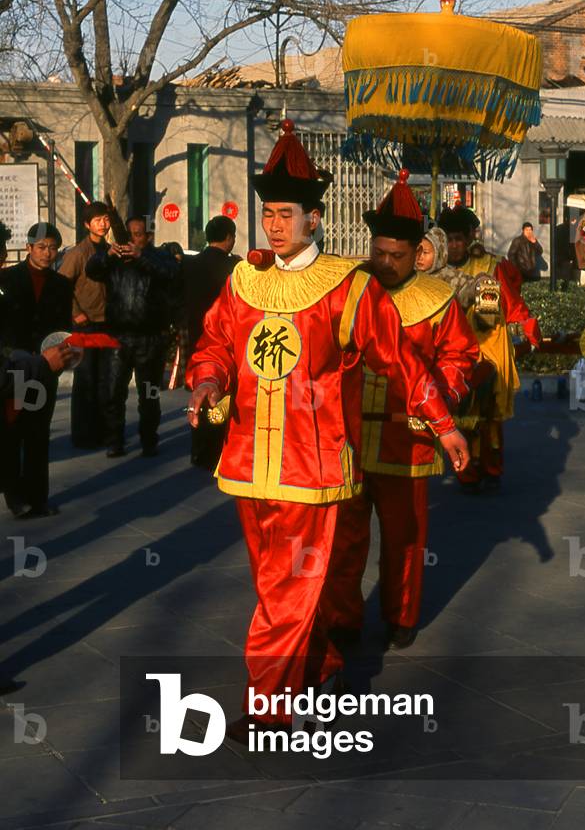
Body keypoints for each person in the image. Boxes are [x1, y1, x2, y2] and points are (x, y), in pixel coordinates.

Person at [186, 120, 469, 745]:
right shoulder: (242, 282)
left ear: (315, 218)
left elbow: (399, 360)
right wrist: (207, 380)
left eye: (285, 214)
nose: (274, 225)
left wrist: (444, 424)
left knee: (285, 587)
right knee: (275, 583)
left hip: (311, 467)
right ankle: (321, 660)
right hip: (246, 462)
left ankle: (268, 706)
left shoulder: (349, 285)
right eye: (268, 214)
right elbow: (215, 344)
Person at [325, 172, 479, 650]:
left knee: (405, 538)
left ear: (418, 253)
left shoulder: (437, 301)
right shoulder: (350, 291)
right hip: (346, 436)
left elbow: (460, 357)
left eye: (397, 256)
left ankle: (401, 615)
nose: (386, 264)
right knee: (344, 540)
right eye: (379, 253)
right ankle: (344, 620)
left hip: (407, 439)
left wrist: (444, 396)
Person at [438, 205, 541, 492]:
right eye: (449, 239)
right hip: (455, 352)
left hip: (490, 348)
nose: (454, 245)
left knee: (491, 417)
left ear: (469, 238)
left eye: (459, 239)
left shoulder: (490, 265)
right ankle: (467, 471)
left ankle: (492, 468)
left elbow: (508, 302)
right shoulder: (433, 270)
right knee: (463, 418)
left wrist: (525, 326)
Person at [86, 215, 177, 458]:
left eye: (138, 234)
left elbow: (170, 274)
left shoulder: (159, 256)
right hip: (118, 336)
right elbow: (92, 270)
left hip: (150, 338)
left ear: (148, 236)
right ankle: (115, 440)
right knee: (113, 392)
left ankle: (149, 440)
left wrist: (141, 257)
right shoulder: (114, 258)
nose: (132, 239)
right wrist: (109, 255)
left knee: (149, 394)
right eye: (129, 234)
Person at [0, 222, 74, 518]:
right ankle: (15, 496)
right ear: (29, 248)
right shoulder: (8, 279)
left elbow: (63, 327)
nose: (47, 253)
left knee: (37, 431)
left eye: (53, 247)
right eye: (41, 247)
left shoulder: (61, 284)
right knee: (11, 431)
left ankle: (38, 496)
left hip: (46, 367)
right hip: (14, 366)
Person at [182, 216, 239, 468]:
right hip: (223, 339)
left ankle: (198, 449)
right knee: (219, 396)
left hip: (195, 336)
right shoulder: (235, 268)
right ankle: (217, 450)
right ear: (229, 237)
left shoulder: (190, 264)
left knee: (199, 391)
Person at [58, 201, 111, 447]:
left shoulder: (111, 250)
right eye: (98, 219)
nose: (103, 223)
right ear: (87, 224)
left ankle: (102, 431)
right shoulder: (77, 253)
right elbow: (61, 288)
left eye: (105, 219)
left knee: (104, 379)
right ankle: (83, 434)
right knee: (85, 378)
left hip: (107, 324)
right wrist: (75, 312)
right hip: (85, 324)